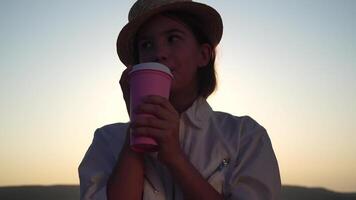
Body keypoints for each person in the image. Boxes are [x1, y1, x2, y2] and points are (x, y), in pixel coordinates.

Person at [78, 0, 281, 199]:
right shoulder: (107, 140)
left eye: (173, 38)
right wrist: (136, 135)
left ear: (203, 55)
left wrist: (175, 157)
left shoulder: (244, 136)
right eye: (147, 44)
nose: (159, 53)